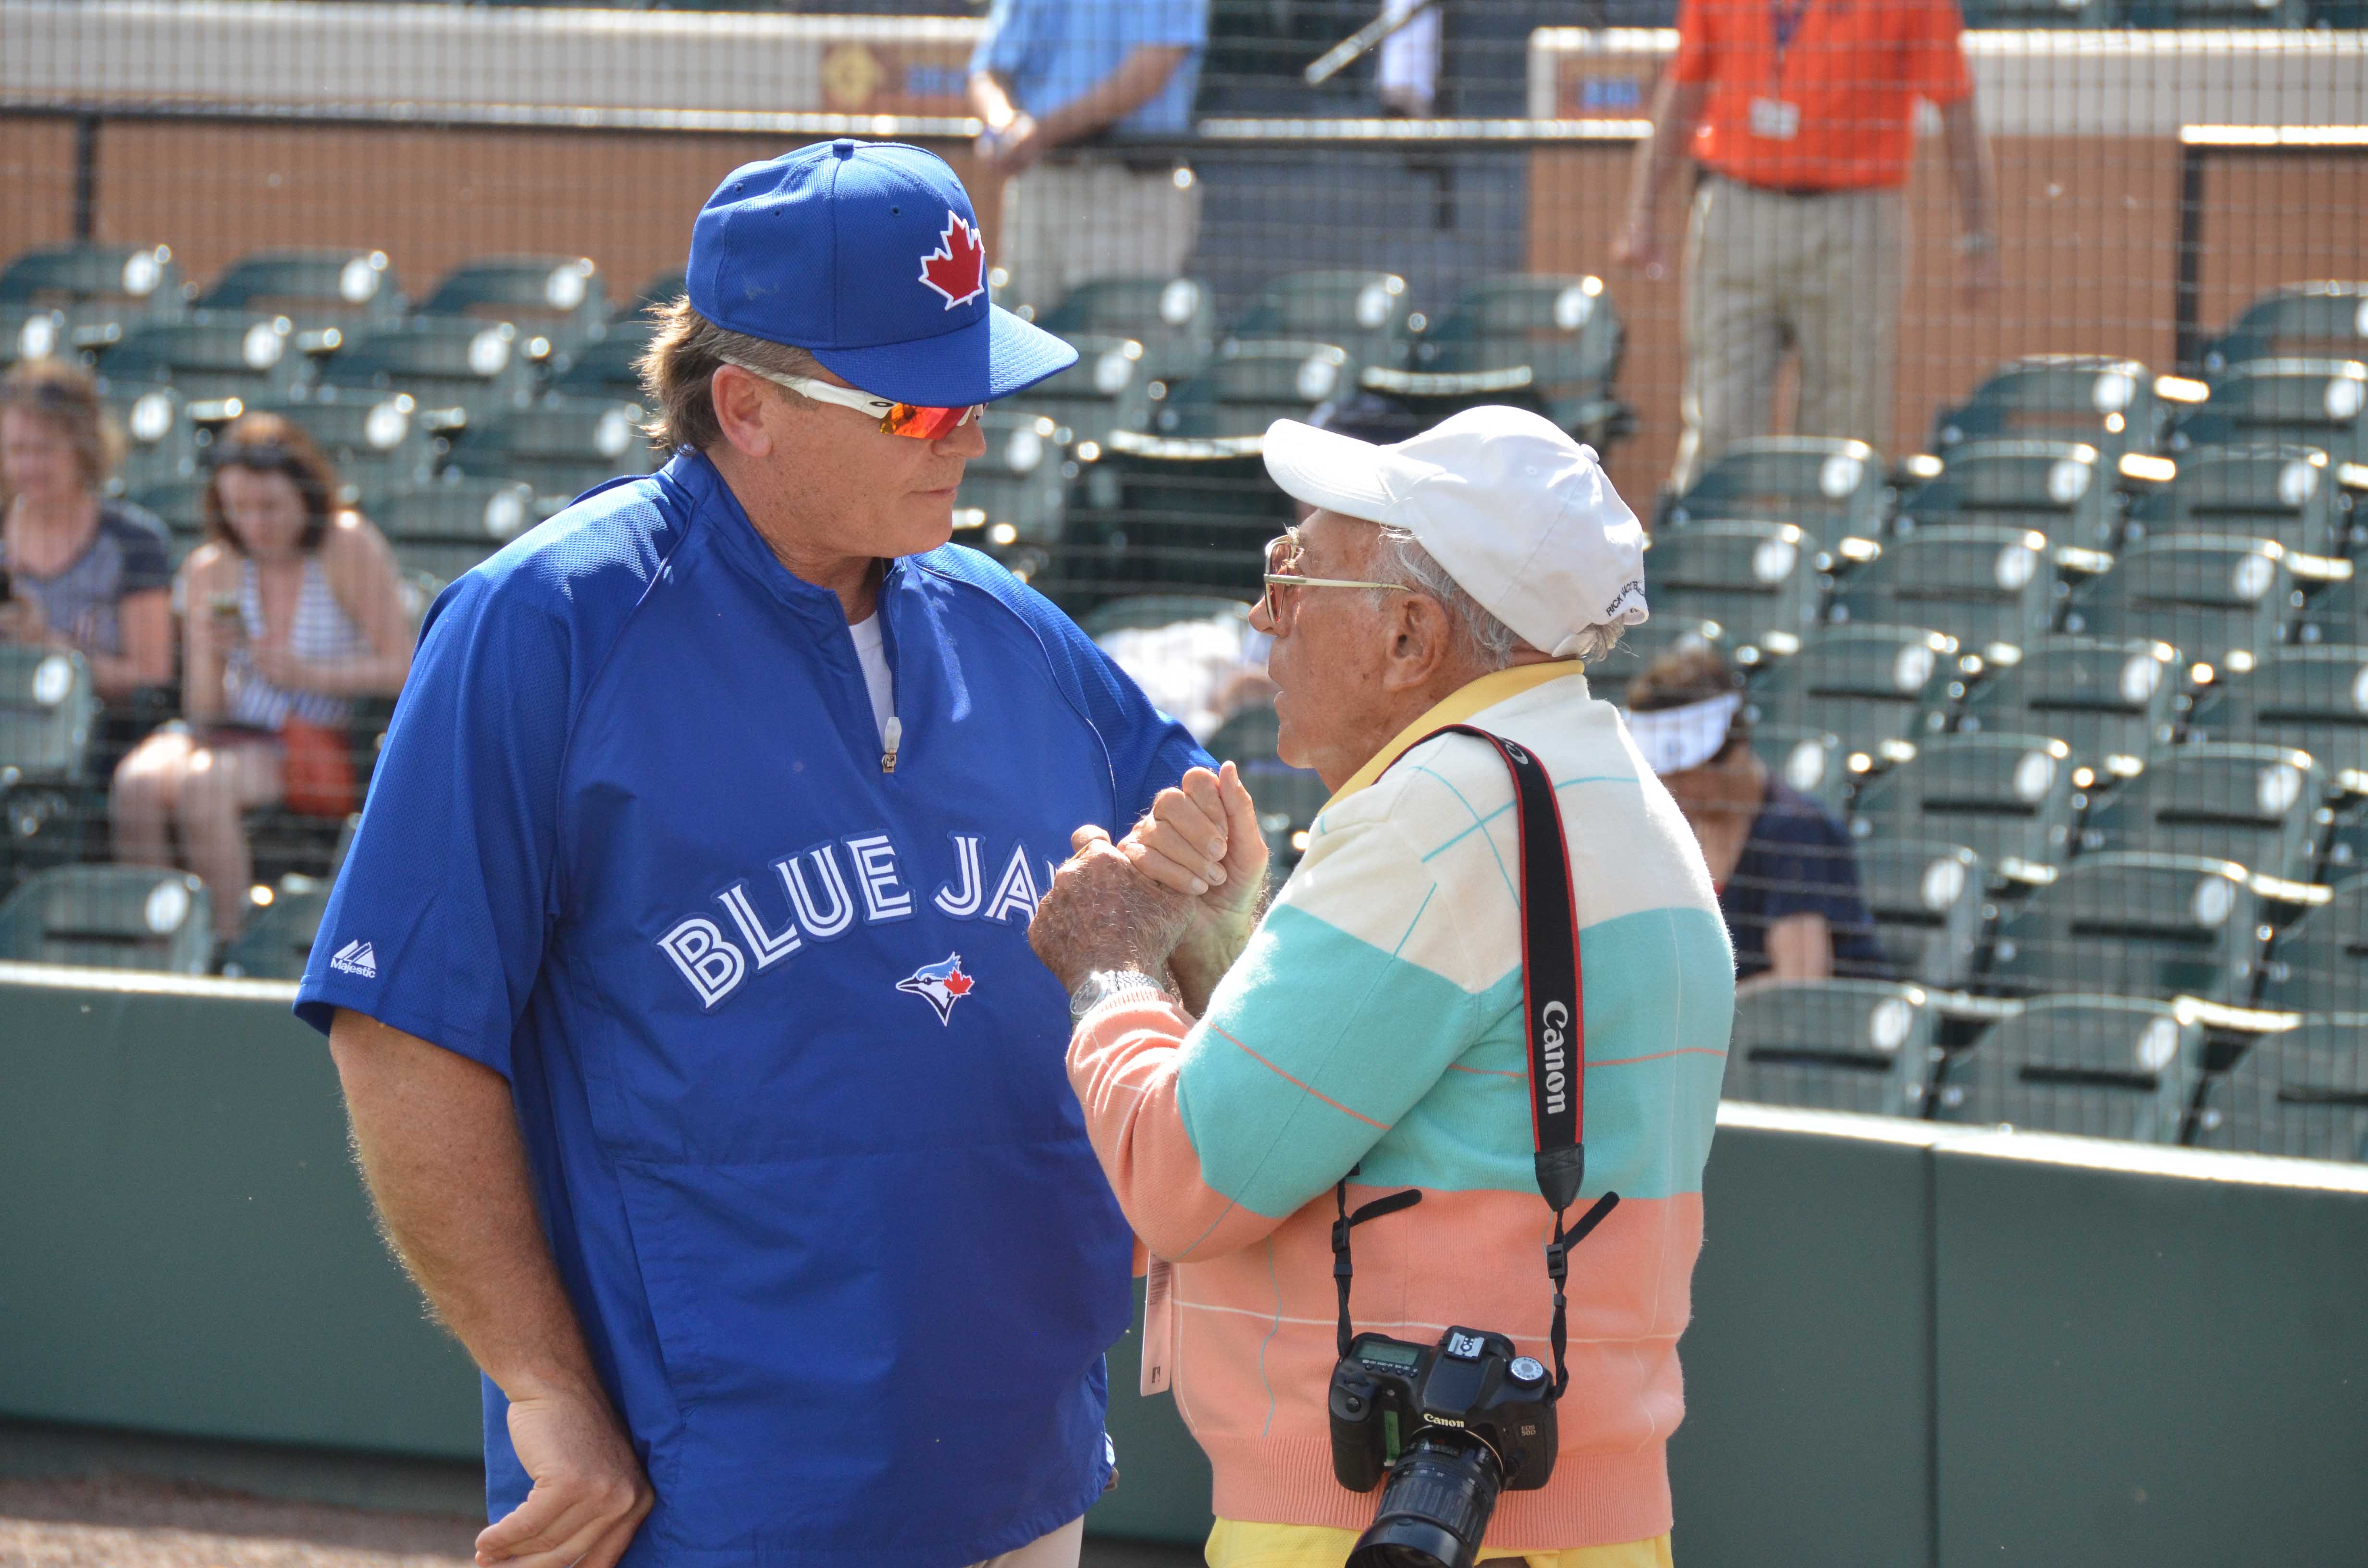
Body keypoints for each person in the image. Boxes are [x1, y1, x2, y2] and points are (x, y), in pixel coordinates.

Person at [296, 140, 1211, 1568]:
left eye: (973, 392)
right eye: (914, 403)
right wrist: (543, 1386)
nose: (965, 434)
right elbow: (400, 1029)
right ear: (746, 405)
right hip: (711, 1481)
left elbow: (1202, 903)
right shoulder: (546, 623)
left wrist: (1216, 882)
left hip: (1019, 1459)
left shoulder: (1013, 628)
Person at [1028, 405, 1734, 1568]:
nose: (1265, 621)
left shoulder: (1437, 815)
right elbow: (1405, 1123)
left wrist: (1111, 963)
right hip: (1580, 1521)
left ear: (1411, 636)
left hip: (1369, 1528)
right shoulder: (1606, 784)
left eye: (1295, 578)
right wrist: (1229, 951)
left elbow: (1186, 1178)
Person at [1611, 0, 2000, 494]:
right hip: (1736, 208)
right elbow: (1685, 85)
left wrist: (1977, 240)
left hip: (1853, 220)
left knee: (1842, 434)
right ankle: (1711, 564)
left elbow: (1956, 105)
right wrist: (1642, 209)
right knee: (1719, 422)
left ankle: (1826, 566)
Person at [111, 414, 412, 943]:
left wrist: (311, 676)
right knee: (135, 786)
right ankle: (160, 944)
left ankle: (226, 947)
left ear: (306, 495)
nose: (255, 523)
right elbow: (203, 713)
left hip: (316, 741)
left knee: (204, 789)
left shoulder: (347, 546)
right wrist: (210, 653)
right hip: (228, 734)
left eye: (270, 507)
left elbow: (406, 665)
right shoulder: (211, 568)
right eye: (239, 508)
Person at [1625, 644, 1884, 987]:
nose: (1674, 787)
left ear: (1738, 745)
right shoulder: (1681, 830)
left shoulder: (1795, 830)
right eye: (1664, 774)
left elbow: (1800, 983)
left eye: (1686, 772)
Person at [968, 0, 1209, 314]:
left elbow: (1150, 71)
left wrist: (1038, 133)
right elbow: (987, 71)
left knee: (1115, 342)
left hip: (1129, 193)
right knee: (1023, 336)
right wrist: (1004, 125)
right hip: (1038, 183)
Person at [0, 359, 173, 704]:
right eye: (18, 450)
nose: (30, 466)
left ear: (84, 446)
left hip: (100, 738)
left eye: (45, 449)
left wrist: (49, 649)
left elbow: (152, 679)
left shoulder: (134, 541)